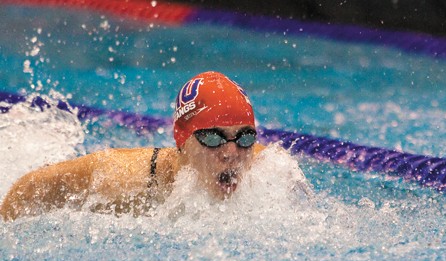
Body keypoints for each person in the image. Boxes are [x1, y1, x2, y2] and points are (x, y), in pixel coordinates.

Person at [0, 71, 266, 221]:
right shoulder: (120, 178)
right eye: (212, 138)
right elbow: (31, 187)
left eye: (244, 137)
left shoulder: (263, 166)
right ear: (181, 140)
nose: (231, 153)